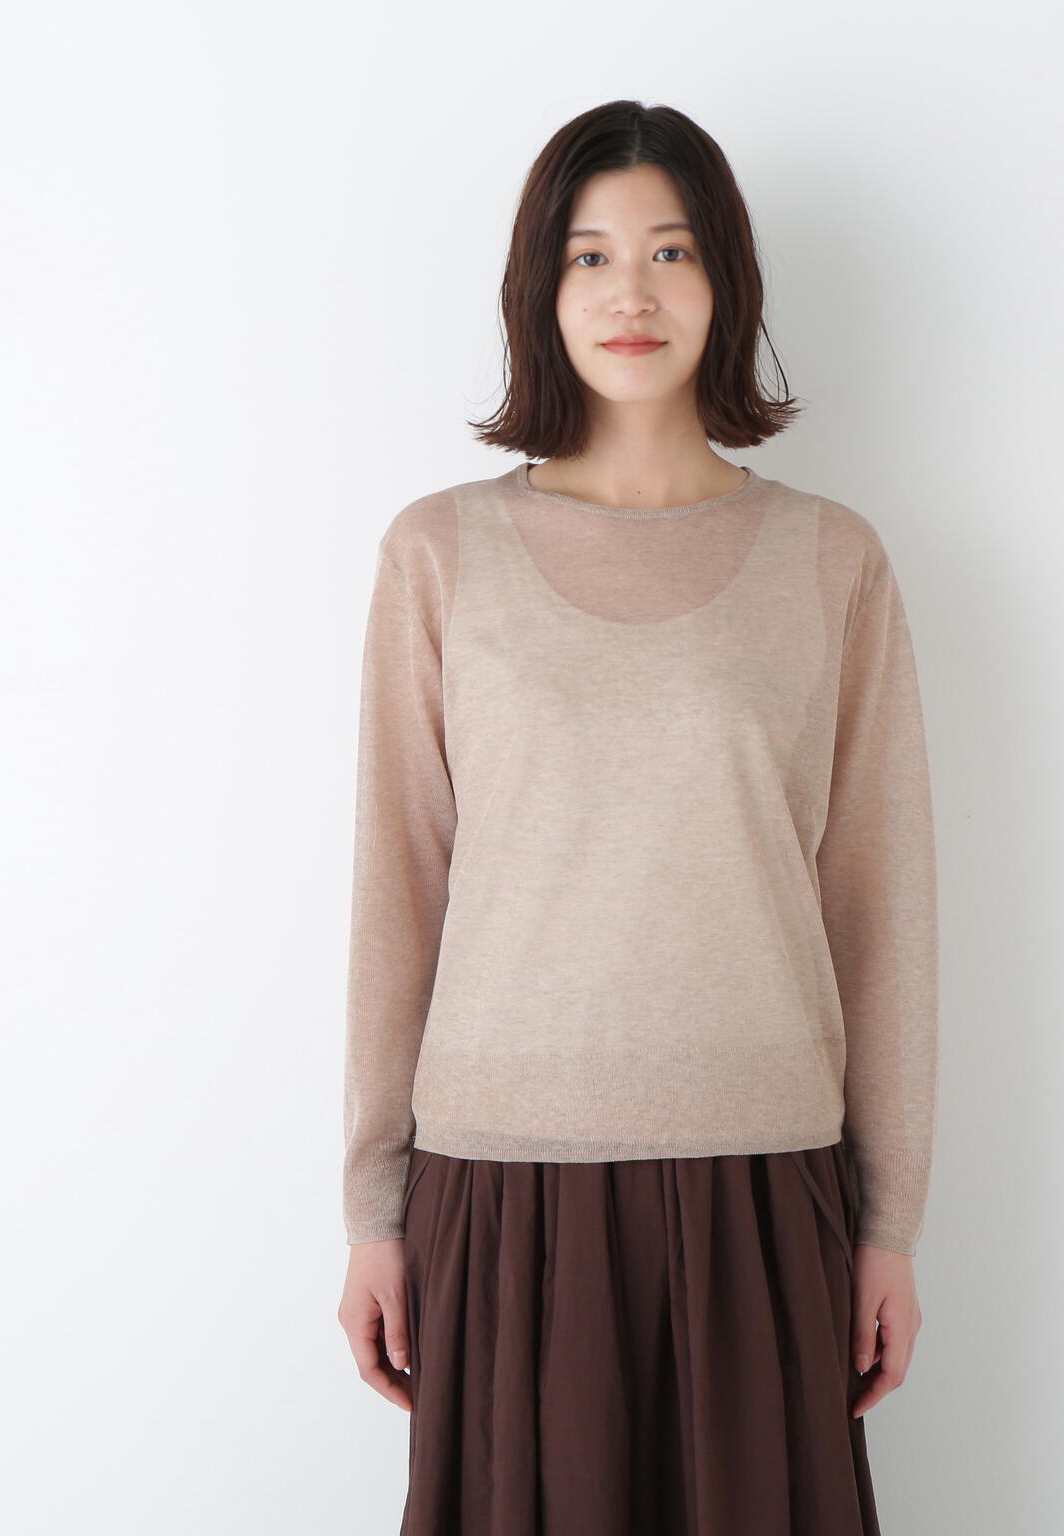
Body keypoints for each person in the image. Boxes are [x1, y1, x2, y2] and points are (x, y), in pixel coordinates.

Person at [336, 99, 940, 1536]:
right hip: (501, 1183)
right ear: (539, 293)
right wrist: (372, 1211)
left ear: (725, 281)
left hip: (760, 1183)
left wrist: (889, 1226)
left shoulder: (830, 559)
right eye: (590, 256)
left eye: (671, 251)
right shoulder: (441, 553)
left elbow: (882, 911)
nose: (632, 293)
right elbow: (398, 889)